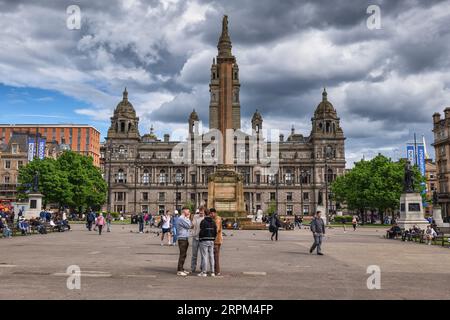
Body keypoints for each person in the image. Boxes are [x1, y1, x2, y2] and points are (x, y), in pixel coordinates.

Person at [198, 210, 217, 277]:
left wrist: (200, 238)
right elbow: (215, 231)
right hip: (211, 240)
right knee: (211, 256)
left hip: (204, 240)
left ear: (205, 214)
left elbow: (201, 231)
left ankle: (204, 272)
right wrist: (213, 238)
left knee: (204, 256)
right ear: (210, 214)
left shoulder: (203, 222)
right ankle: (212, 272)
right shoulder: (213, 222)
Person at [176, 207, 192, 276]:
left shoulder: (183, 218)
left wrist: (187, 218)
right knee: (182, 255)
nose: (189, 213)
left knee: (184, 255)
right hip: (182, 238)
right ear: (184, 211)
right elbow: (189, 225)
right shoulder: (181, 218)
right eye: (188, 211)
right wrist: (188, 218)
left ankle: (181, 269)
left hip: (185, 238)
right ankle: (179, 270)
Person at [190, 206, 205, 273]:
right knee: (194, 254)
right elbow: (192, 225)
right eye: (200, 212)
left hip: (202, 239)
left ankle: (202, 268)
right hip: (195, 237)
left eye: (202, 213)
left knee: (202, 255)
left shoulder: (205, 218)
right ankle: (193, 268)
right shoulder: (195, 216)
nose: (201, 214)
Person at [210, 208, 223, 276]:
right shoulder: (215, 219)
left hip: (216, 240)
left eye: (211, 213)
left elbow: (216, 230)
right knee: (214, 255)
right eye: (210, 213)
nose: (211, 215)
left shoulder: (217, 219)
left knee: (215, 256)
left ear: (214, 213)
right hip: (216, 240)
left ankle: (217, 271)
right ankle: (215, 270)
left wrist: (210, 235)